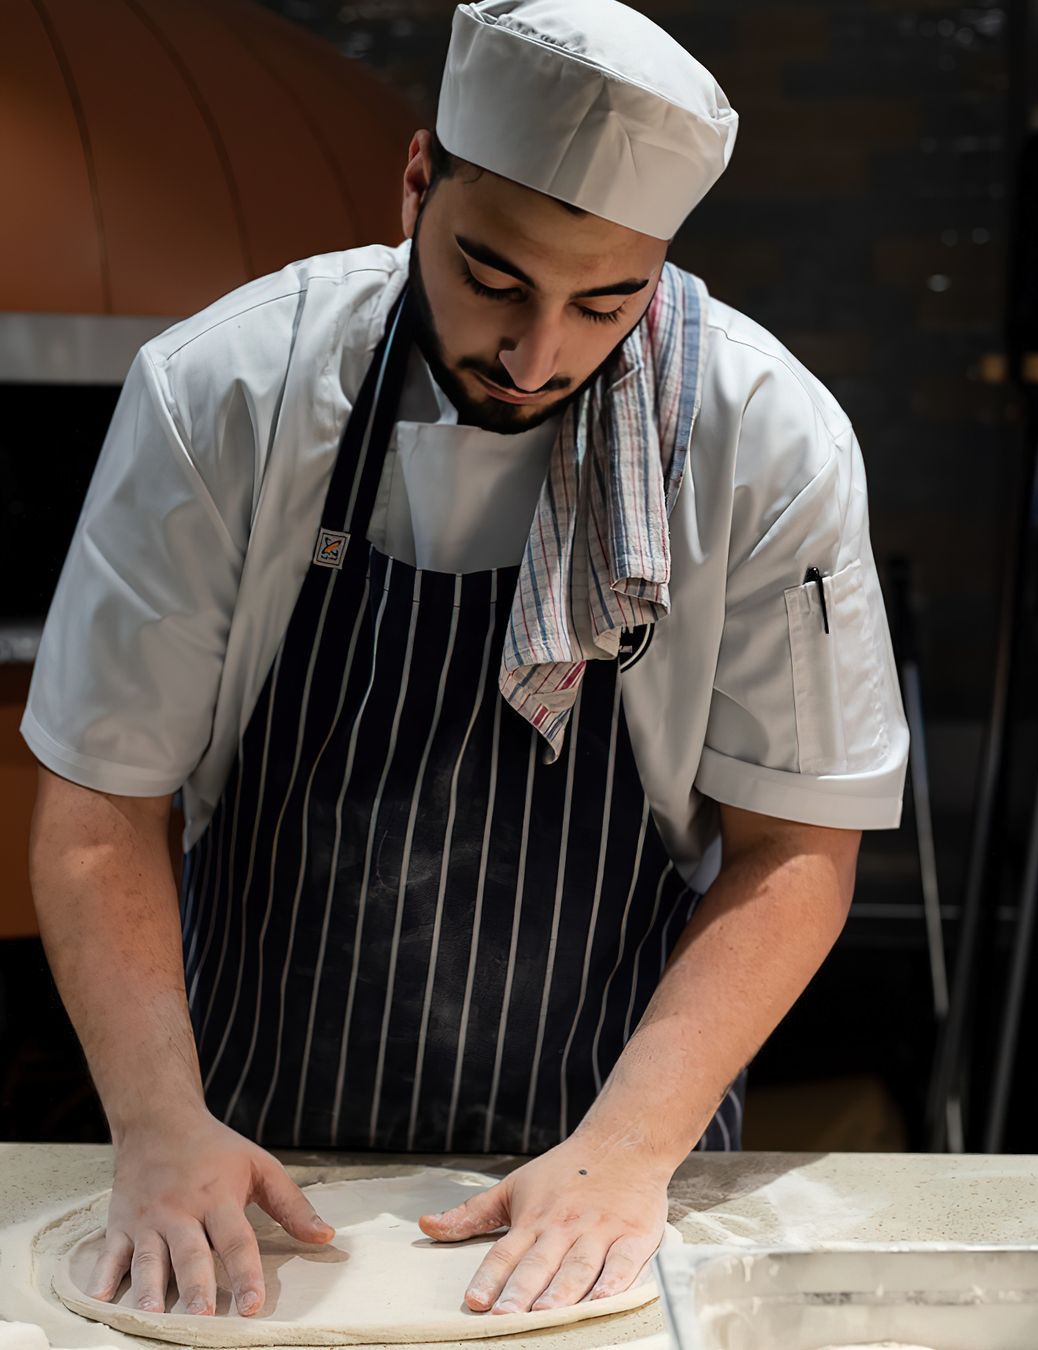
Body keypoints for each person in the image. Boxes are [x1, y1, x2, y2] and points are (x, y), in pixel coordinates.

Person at [23, 0, 909, 1327]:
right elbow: (101, 799)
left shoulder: (762, 441)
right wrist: (156, 1121)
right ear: (417, 182)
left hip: (612, 1146)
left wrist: (629, 1150)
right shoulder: (227, 392)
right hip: (256, 1147)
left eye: (604, 301)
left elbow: (794, 845)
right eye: (494, 278)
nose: (534, 353)